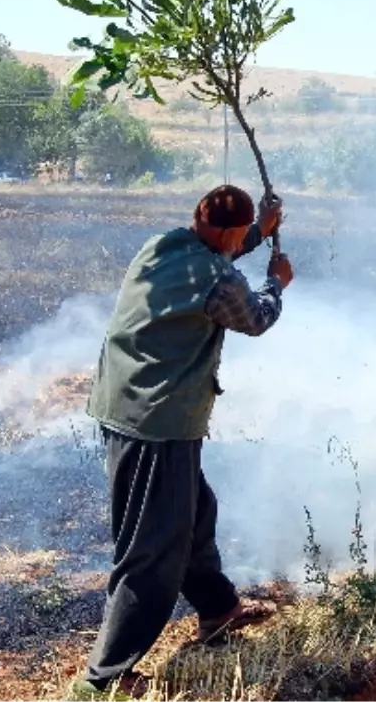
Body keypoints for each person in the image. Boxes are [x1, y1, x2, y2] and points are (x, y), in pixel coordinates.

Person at [75, 184, 293, 698]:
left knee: (195, 513)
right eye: (239, 235)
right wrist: (277, 283)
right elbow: (255, 318)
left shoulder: (162, 246)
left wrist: (260, 230)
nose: (239, 242)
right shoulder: (219, 279)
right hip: (160, 424)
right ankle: (102, 679)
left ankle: (219, 611)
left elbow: (220, 250)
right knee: (153, 552)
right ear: (225, 233)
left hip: (127, 407)